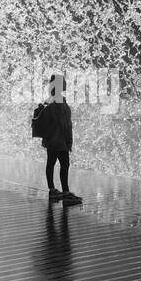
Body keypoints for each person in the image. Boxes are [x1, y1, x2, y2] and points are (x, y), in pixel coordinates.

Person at [40, 74, 81, 206]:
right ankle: (66, 193)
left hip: (51, 139)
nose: (65, 84)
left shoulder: (50, 100)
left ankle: (52, 190)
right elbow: (66, 125)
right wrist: (69, 141)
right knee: (65, 165)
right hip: (60, 140)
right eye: (63, 82)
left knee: (51, 163)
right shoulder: (60, 103)